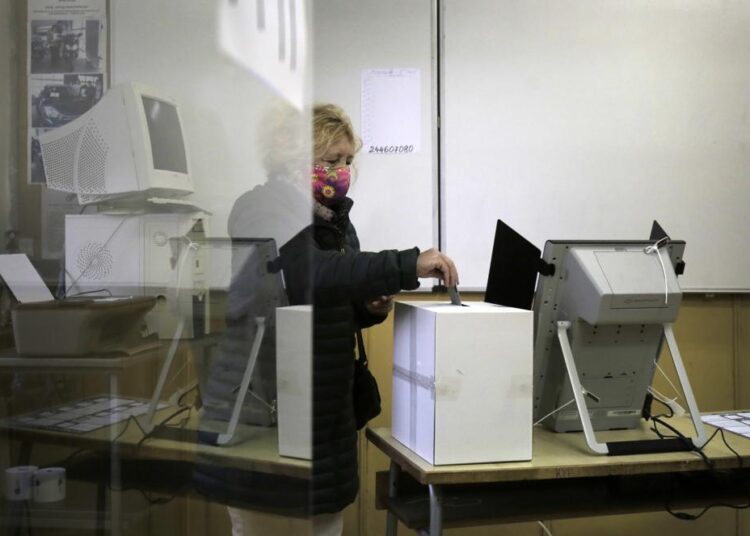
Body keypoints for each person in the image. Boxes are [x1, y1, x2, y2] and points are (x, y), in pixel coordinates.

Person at [198, 102, 458, 535]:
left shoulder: (336, 221)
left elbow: (333, 297)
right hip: (267, 412)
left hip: (322, 414)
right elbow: (308, 275)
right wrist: (407, 263)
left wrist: (369, 306)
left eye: (348, 160)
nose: (342, 171)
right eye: (330, 160)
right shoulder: (260, 208)